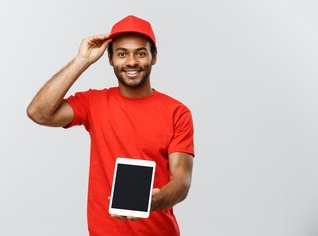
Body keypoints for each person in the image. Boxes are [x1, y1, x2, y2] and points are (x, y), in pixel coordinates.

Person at [26, 15, 195, 235]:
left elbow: (182, 179)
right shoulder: (93, 103)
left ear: (154, 57)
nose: (131, 61)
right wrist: (82, 60)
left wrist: (154, 201)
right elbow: (38, 112)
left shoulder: (177, 112)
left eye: (140, 53)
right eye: (122, 53)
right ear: (110, 59)